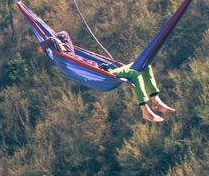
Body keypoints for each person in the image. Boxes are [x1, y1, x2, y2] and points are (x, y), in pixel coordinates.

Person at [39, 30, 176, 124]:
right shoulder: (65, 57)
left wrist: (58, 39)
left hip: (108, 70)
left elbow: (63, 34)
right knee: (134, 74)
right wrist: (43, 46)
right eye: (60, 45)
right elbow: (51, 41)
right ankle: (145, 111)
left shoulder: (69, 51)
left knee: (145, 65)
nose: (62, 45)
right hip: (103, 75)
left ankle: (155, 100)